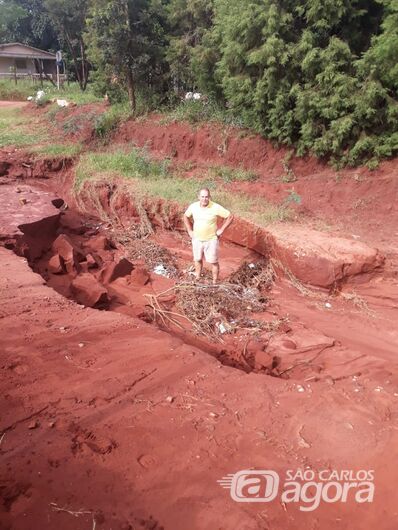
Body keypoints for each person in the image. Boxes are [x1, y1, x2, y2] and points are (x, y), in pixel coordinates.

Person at [183, 188, 234, 284]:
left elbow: (230, 216)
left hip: (211, 240)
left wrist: (221, 230)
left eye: (206, 197)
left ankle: (215, 282)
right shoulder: (193, 207)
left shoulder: (215, 207)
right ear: (199, 197)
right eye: (202, 196)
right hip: (197, 239)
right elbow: (185, 216)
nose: (204, 199)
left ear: (209, 197)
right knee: (197, 259)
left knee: (213, 262)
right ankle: (197, 278)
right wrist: (190, 230)